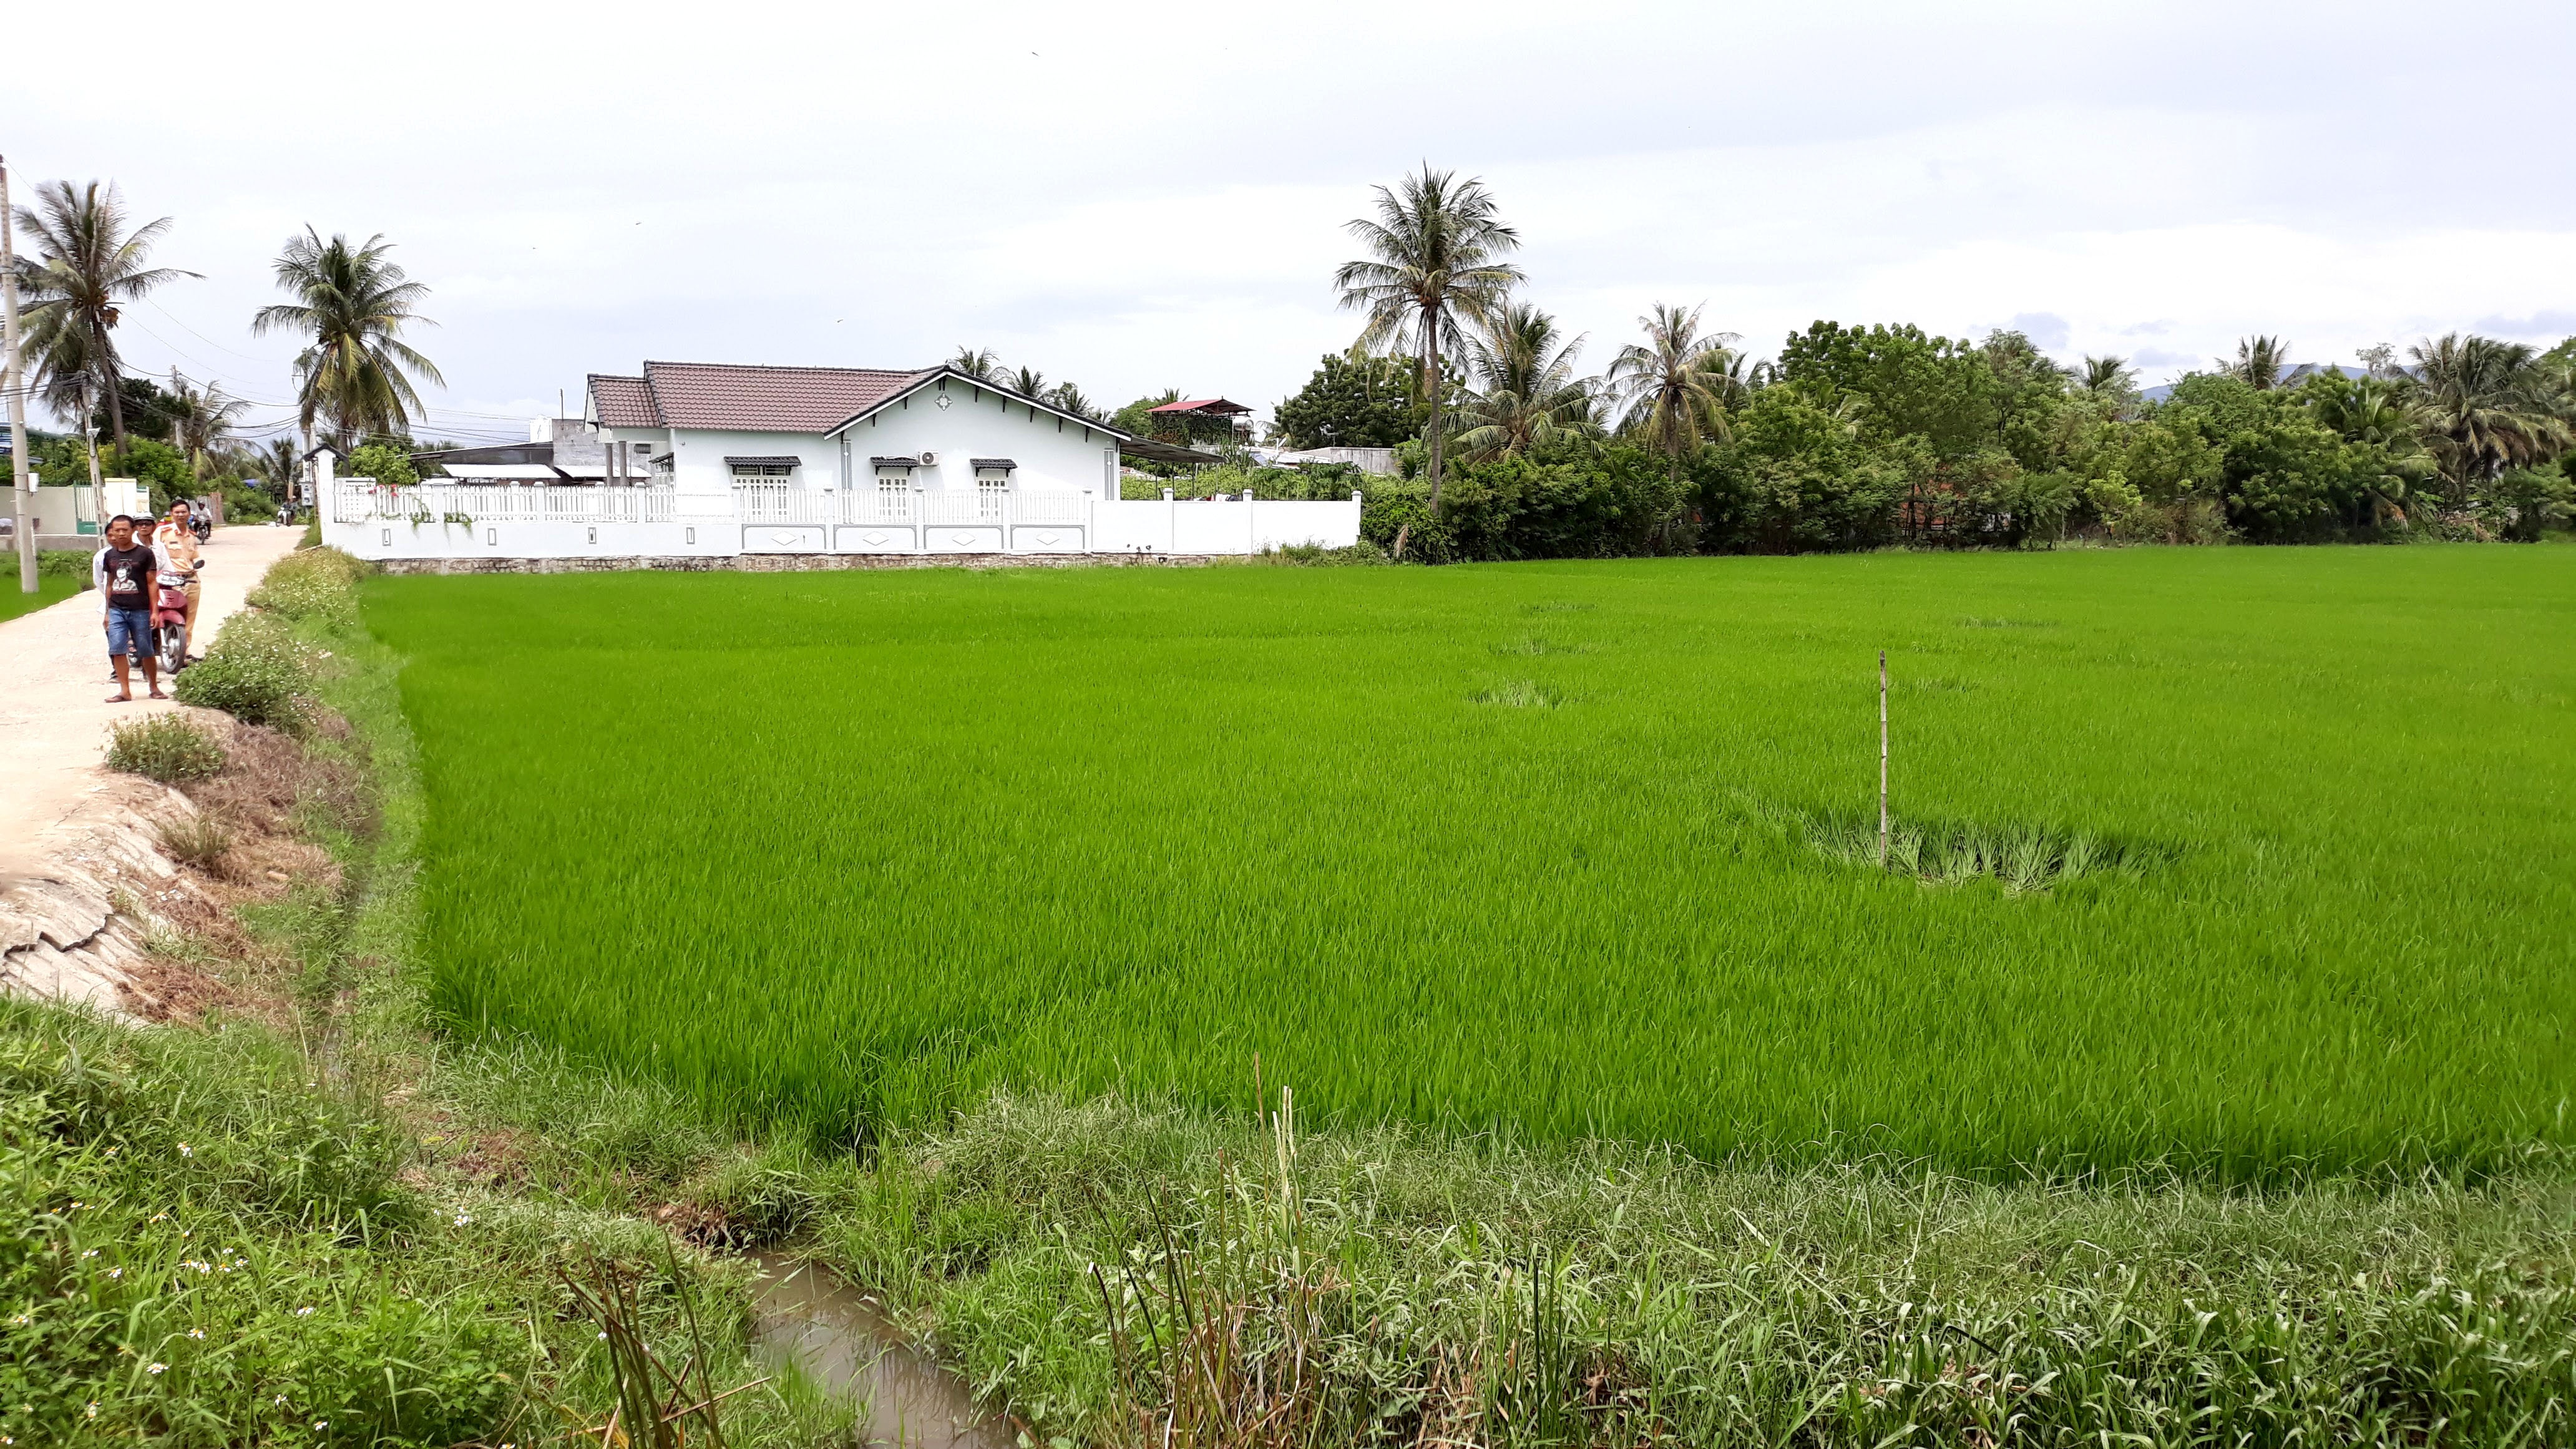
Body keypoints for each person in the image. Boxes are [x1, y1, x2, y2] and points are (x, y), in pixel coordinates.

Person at [93, 515, 167, 703]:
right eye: (116, 530)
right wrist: (108, 612)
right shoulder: (109, 556)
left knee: (145, 649)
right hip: (117, 609)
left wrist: (155, 611)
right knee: (117, 648)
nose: (120, 534)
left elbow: (152, 583)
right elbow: (110, 584)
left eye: (124, 530)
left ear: (133, 530)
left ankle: (154, 687)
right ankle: (124, 690)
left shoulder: (144, 554)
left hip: (140, 609)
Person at [153, 500, 205, 651]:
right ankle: (166, 647)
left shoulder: (191, 535)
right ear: (171, 514)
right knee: (171, 616)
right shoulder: (163, 532)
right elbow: (152, 554)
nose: (181, 515)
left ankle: (184, 651)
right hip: (171, 581)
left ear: (189, 514)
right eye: (177, 512)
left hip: (191, 580)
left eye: (184, 512)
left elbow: (192, 557)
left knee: (189, 618)